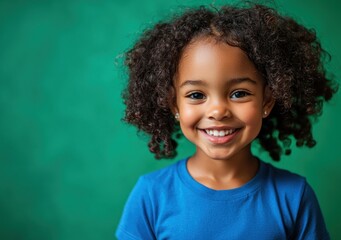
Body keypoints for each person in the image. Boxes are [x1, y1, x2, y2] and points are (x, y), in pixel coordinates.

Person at [116, 2, 338, 239]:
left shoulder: (294, 196)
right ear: (174, 105)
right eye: (196, 95)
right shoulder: (151, 194)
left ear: (267, 101)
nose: (218, 111)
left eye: (239, 93)